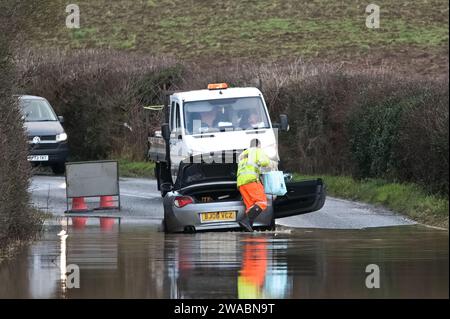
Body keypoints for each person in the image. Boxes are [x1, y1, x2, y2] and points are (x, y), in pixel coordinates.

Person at [237, 138, 270, 232]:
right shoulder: (257, 150)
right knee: (262, 202)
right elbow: (265, 162)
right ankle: (246, 221)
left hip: (241, 183)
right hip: (251, 180)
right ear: (258, 145)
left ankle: (247, 227)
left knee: (250, 206)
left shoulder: (243, 154)